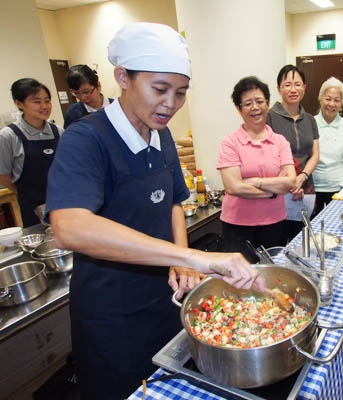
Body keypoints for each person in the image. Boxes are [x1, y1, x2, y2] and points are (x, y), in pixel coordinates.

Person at [45, 22, 264, 400]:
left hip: (165, 300)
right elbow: (70, 227)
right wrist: (195, 256)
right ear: (122, 77)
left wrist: (184, 263)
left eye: (180, 93)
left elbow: (175, 202)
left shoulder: (160, 135)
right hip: (112, 314)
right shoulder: (88, 138)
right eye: (159, 89)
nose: (171, 104)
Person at [217, 76, 296, 262]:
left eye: (260, 101)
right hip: (237, 225)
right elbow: (233, 188)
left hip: (274, 222)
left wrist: (256, 182)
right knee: (241, 280)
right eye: (248, 103)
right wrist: (274, 191)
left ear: (267, 103)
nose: (255, 107)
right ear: (239, 109)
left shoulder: (280, 142)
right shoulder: (230, 142)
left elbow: (291, 182)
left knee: (271, 273)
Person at [0, 78, 63, 227]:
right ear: (19, 103)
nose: (44, 106)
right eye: (36, 102)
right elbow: (3, 176)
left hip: (62, 202)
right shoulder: (8, 136)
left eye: (47, 101)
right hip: (32, 208)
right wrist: (26, 194)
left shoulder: (58, 132)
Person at [266, 65, 319, 240]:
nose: (293, 89)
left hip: (306, 184)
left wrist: (302, 176)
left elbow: (315, 154)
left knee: (303, 237)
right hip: (281, 187)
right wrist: (289, 182)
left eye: (298, 84)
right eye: (287, 85)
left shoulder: (310, 119)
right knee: (280, 238)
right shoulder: (269, 117)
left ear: (304, 87)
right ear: (278, 88)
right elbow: (267, 155)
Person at [312, 77, 343, 214]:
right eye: (328, 98)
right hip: (315, 186)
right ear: (320, 99)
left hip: (339, 184)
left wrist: (334, 170)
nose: (332, 104)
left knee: (338, 222)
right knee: (314, 225)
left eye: (337, 100)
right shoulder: (310, 123)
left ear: (341, 103)